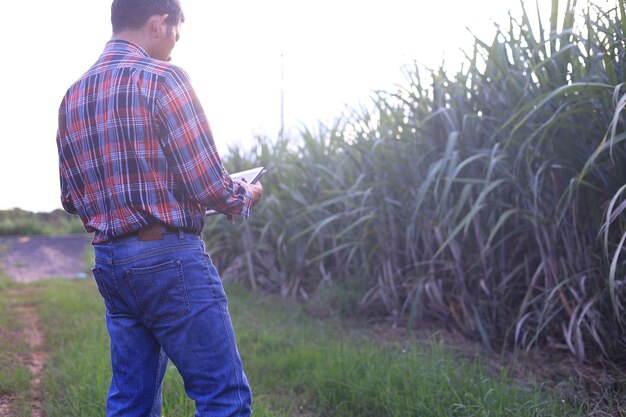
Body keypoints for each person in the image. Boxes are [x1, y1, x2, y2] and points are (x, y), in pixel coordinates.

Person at [56, 0, 261, 416]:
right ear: (158, 22)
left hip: (111, 263)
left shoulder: (71, 96)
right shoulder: (164, 79)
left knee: (131, 401)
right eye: (175, 33)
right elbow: (208, 184)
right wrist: (243, 195)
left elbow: (70, 199)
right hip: (169, 259)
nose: (174, 46)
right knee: (223, 398)